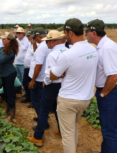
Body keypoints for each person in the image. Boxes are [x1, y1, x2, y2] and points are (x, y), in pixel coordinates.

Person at [50, 18, 98, 153]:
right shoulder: (92, 49)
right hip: (85, 99)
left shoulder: (67, 55)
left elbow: (53, 75)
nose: (64, 36)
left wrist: (60, 71)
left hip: (68, 100)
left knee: (68, 136)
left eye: (65, 32)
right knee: (74, 128)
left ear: (70, 32)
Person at [28, 30, 68, 146]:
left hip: (52, 85)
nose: (46, 44)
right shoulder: (67, 51)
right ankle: (61, 131)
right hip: (63, 85)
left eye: (48, 42)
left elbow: (51, 74)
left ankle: (38, 137)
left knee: (44, 110)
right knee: (57, 108)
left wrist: (45, 82)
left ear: (53, 41)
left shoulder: (53, 54)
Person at [85, 19, 117, 153]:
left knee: (109, 130)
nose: (85, 35)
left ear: (93, 33)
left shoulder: (107, 48)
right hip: (108, 93)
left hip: (109, 93)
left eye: (86, 32)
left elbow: (114, 76)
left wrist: (103, 94)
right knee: (108, 128)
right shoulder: (102, 46)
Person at [28, 27, 50, 130]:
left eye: (35, 37)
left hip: (38, 78)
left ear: (39, 36)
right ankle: (43, 118)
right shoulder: (45, 45)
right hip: (43, 77)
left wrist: (33, 80)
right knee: (41, 100)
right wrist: (34, 45)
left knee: (36, 100)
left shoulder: (42, 47)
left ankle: (43, 122)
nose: (34, 38)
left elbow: (39, 65)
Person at [21, 30, 35, 104]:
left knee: (32, 85)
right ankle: (28, 97)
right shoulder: (30, 44)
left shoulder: (37, 45)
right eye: (28, 36)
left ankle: (33, 100)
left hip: (33, 69)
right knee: (25, 83)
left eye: (30, 36)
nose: (28, 37)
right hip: (27, 68)